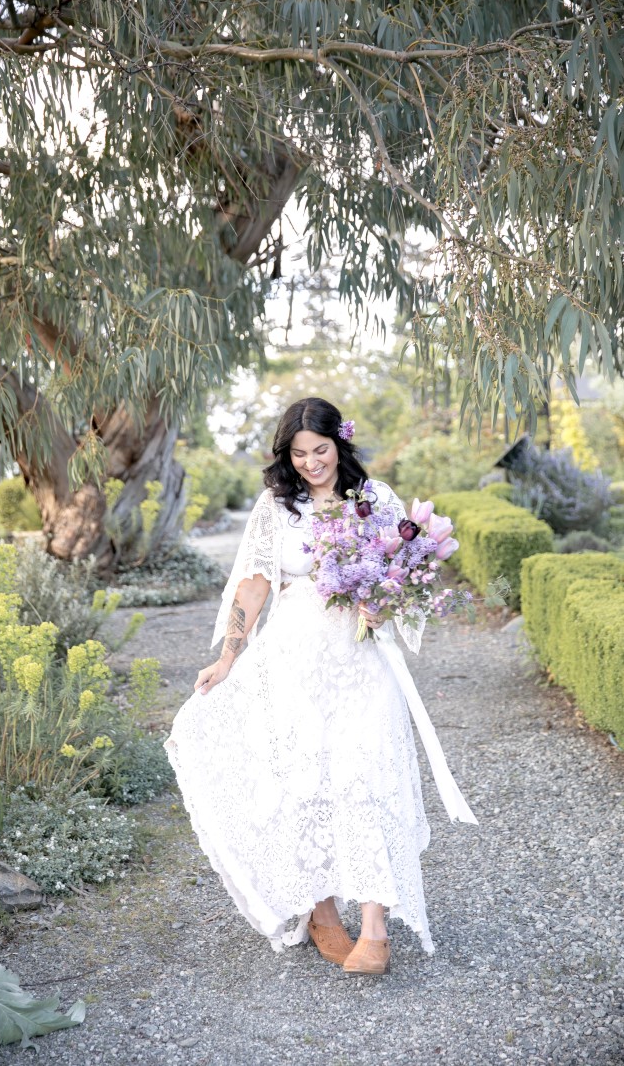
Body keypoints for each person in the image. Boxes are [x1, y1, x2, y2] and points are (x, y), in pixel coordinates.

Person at [165, 397, 477, 975]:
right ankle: (321, 911)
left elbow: (402, 572)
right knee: (304, 782)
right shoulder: (276, 508)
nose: (311, 463)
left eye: (321, 450)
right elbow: (254, 588)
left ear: (341, 443)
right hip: (294, 662)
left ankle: (377, 929)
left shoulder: (375, 499)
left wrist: (387, 604)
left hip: (360, 662)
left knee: (366, 777)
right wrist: (228, 658)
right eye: (299, 453)